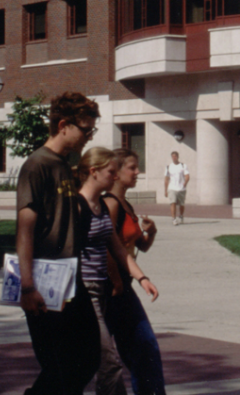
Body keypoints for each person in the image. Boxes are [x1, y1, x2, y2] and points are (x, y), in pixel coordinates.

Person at [15, 92, 101, 395]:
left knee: (88, 357)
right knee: (61, 366)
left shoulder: (65, 165)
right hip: (43, 278)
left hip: (70, 276)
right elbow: (25, 230)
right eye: (85, 130)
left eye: (92, 130)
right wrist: (27, 287)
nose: (88, 137)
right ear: (63, 125)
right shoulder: (37, 165)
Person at [76, 147, 159, 395]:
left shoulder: (100, 207)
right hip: (86, 292)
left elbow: (118, 249)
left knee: (108, 362)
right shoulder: (78, 207)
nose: (114, 177)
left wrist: (142, 278)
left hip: (106, 289)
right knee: (106, 363)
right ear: (94, 172)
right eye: (111, 171)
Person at [104, 149, 166, 395]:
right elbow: (106, 246)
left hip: (124, 286)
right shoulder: (110, 204)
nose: (137, 172)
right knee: (138, 349)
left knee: (144, 349)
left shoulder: (125, 205)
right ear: (116, 173)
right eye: (132, 167)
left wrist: (152, 231)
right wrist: (118, 282)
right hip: (112, 288)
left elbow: (140, 246)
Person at [163, 152, 189, 226]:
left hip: (181, 188)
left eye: (175, 156)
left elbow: (187, 176)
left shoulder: (183, 166)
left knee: (181, 204)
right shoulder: (168, 167)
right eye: (172, 156)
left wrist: (185, 183)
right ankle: (174, 219)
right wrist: (165, 190)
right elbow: (166, 179)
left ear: (178, 157)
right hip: (172, 188)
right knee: (173, 203)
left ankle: (181, 216)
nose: (174, 158)